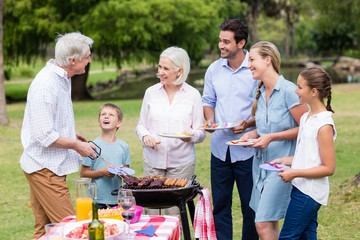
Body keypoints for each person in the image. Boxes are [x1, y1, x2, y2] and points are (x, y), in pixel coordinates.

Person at [19, 32, 97, 239]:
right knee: (73, 231)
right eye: (87, 56)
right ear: (72, 60)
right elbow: (43, 135)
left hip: (44, 165)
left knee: (45, 231)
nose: (90, 60)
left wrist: (71, 134)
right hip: (45, 167)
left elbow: (49, 121)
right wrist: (76, 145)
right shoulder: (46, 85)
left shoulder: (62, 77)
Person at [242, 41, 308, 240]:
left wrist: (272, 137)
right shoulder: (261, 93)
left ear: (268, 60)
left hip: (282, 167)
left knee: (261, 224)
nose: (248, 65)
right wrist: (252, 135)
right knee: (269, 222)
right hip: (261, 166)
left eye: (252, 60)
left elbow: (307, 128)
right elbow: (265, 127)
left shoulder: (289, 91)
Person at [202, 18, 259, 240]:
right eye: (220, 41)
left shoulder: (254, 70)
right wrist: (209, 120)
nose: (221, 46)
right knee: (221, 206)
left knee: (250, 208)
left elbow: (264, 108)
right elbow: (208, 100)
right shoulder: (213, 70)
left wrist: (248, 124)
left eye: (226, 41)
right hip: (219, 151)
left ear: (241, 43)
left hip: (247, 150)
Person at [135, 46, 206, 215]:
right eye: (159, 67)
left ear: (179, 71)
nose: (160, 72)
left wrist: (191, 136)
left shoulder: (193, 95)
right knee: (152, 213)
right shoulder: (151, 92)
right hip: (153, 161)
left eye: (166, 68)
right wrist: (145, 136)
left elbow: (200, 133)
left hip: (181, 164)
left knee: (174, 215)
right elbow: (140, 125)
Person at [272, 67, 336, 239]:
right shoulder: (306, 117)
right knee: (307, 236)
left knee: (287, 236)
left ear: (313, 91)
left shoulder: (324, 125)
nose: (295, 90)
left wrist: (295, 172)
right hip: (300, 186)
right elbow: (308, 156)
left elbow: (329, 168)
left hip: (310, 192)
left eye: (300, 87)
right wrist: (285, 160)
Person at [81, 103, 131, 209]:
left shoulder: (124, 146)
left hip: (118, 199)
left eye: (111, 115)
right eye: (103, 114)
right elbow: (84, 173)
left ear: (118, 123)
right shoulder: (92, 146)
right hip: (97, 200)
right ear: (99, 122)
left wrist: (121, 172)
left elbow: (127, 174)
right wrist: (102, 172)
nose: (106, 116)